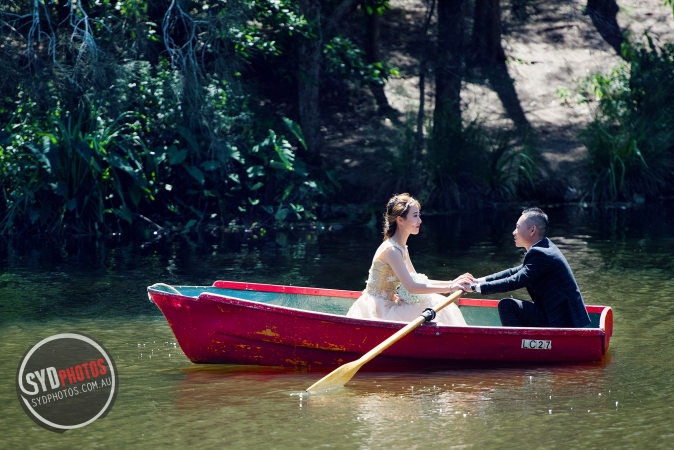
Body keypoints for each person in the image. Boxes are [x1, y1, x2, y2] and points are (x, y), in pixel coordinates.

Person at [346, 193, 470, 325]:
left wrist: (452, 283)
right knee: (432, 303)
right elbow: (412, 287)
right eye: (415, 216)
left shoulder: (402, 248)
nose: (420, 221)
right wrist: (450, 288)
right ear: (400, 220)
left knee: (434, 300)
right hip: (378, 310)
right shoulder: (391, 250)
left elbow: (417, 280)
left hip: (390, 305)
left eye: (419, 215)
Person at [462, 207, 591, 328]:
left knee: (507, 306)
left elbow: (516, 280)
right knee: (509, 305)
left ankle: (519, 348)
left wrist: (474, 288)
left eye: (517, 228)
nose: (514, 232)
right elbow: (513, 272)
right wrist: (477, 281)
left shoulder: (542, 254)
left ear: (532, 230)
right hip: (551, 315)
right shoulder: (543, 248)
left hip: (560, 322)